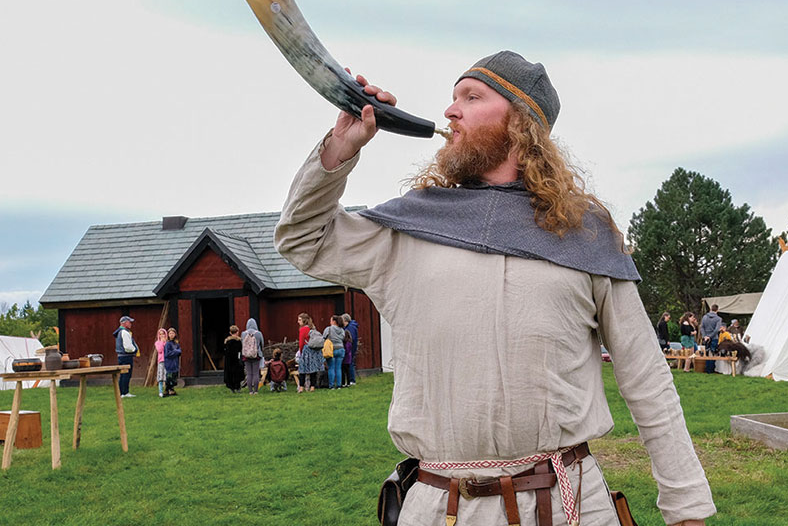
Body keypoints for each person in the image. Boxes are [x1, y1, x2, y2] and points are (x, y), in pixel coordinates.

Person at [274, 51, 714, 525]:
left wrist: (685, 507)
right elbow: (302, 239)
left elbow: (647, 379)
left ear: (521, 122)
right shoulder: (409, 228)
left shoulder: (584, 235)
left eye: (471, 96)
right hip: (438, 506)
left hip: (567, 504)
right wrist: (341, 148)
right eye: (452, 97)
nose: (450, 110)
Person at [113, 315, 139, 398]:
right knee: (126, 374)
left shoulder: (120, 332)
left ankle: (123, 392)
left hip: (121, 356)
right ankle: (124, 392)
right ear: (124, 323)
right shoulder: (124, 332)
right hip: (126, 356)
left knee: (123, 374)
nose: (130, 324)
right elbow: (127, 347)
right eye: (129, 322)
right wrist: (134, 350)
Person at [296, 320, 325, 392]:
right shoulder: (313, 328)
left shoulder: (303, 329)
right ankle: (312, 387)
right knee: (313, 370)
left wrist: (301, 351)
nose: (298, 321)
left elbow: (301, 342)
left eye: (299, 320)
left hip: (306, 350)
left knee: (302, 370)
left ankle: (301, 387)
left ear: (304, 321)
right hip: (314, 351)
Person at [241, 318, 264, 395]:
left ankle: (250, 391)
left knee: (249, 373)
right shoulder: (258, 333)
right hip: (256, 355)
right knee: (256, 373)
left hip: (246, 356)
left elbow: (242, 344)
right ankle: (256, 391)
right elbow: (262, 344)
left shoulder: (243, 333)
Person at [323, 315, 346, 390]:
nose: (330, 322)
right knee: (338, 368)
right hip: (341, 349)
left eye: (331, 320)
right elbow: (343, 338)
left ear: (334, 321)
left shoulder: (328, 329)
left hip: (331, 349)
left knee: (331, 368)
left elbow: (324, 337)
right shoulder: (342, 330)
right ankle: (339, 385)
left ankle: (331, 385)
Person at [700, 305, 723, 374]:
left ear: (710, 309)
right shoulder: (718, 319)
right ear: (717, 310)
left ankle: (707, 369)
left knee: (706, 353)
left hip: (706, 337)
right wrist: (710, 336)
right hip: (714, 337)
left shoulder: (704, 317)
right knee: (713, 353)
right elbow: (716, 330)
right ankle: (711, 369)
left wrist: (705, 336)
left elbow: (702, 327)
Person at [223, 325, 244, 393]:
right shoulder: (239, 341)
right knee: (237, 373)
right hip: (236, 359)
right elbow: (240, 350)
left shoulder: (227, 341)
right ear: (237, 332)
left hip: (229, 360)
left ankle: (231, 387)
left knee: (230, 373)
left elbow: (225, 351)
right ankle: (238, 387)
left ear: (230, 332)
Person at [163, 328, 181, 397]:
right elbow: (167, 354)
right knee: (169, 377)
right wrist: (175, 352)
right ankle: (168, 389)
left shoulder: (176, 344)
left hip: (175, 363)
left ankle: (171, 389)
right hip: (169, 363)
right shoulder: (168, 344)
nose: (171, 335)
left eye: (173, 333)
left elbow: (180, 351)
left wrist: (176, 352)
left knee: (174, 377)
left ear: (175, 334)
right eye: (170, 333)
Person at [342, 313, 359, 385]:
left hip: (350, 348)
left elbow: (351, 338)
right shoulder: (350, 326)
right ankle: (350, 380)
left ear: (345, 320)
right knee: (349, 363)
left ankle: (352, 380)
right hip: (351, 347)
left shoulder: (350, 328)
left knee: (350, 363)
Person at [154, 328, 167, 398]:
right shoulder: (157, 343)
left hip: (167, 361)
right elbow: (160, 350)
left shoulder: (167, 343)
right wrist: (162, 342)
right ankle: (160, 391)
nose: (162, 335)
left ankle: (167, 390)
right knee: (160, 376)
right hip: (161, 361)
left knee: (167, 376)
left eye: (163, 334)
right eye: (160, 334)